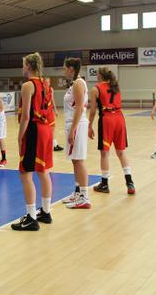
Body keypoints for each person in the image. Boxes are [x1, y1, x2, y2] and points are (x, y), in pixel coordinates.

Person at [11, 53, 53, 232]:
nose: (22, 68)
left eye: (23, 65)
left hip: (34, 130)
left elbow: (26, 115)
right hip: (46, 129)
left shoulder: (28, 85)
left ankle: (31, 218)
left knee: (25, 173)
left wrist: (20, 136)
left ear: (28, 66)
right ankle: (46, 211)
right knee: (43, 171)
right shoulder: (46, 84)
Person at [88, 67, 135, 195]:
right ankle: (130, 182)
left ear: (100, 76)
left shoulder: (95, 89)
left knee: (105, 153)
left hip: (107, 120)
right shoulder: (116, 87)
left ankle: (104, 183)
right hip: (120, 118)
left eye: (97, 74)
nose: (96, 76)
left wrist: (89, 125)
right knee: (121, 152)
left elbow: (92, 111)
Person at [61, 58, 91, 209]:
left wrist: (73, 129)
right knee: (75, 160)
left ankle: (85, 197)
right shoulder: (74, 83)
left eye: (65, 68)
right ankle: (78, 192)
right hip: (73, 123)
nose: (63, 70)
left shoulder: (79, 83)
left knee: (79, 160)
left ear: (71, 69)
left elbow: (79, 108)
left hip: (77, 123)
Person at [46, 78, 63, 152]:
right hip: (44, 111)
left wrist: (55, 109)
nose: (48, 83)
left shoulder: (51, 89)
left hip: (50, 111)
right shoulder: (42, 90)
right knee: (48, 129)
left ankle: (54, 144)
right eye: (46, 82)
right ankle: (53, 145)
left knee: (52, 128)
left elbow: (52, 99)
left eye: (49, 82)